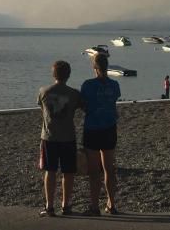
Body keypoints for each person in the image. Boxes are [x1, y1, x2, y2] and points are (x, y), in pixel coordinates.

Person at [37, 60, 83, 217]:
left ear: (53, 74)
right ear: (68, 75)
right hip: (68, 137)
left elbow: (42, 108)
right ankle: (66, 205)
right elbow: (83, 107)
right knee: (68, 172)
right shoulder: (74, 94)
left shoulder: (43, 91)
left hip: (49, 137)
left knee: (50, 171)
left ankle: (50, 206)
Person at [81, 53, 121, 216]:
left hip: (93, 128)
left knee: (94, 171)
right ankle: (111, 203)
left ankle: (94, 206)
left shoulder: (88, 85)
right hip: (109, 127)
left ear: (94, 67)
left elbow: (83, 105)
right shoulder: (114, 84)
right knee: (109, 168)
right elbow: (113, 102)